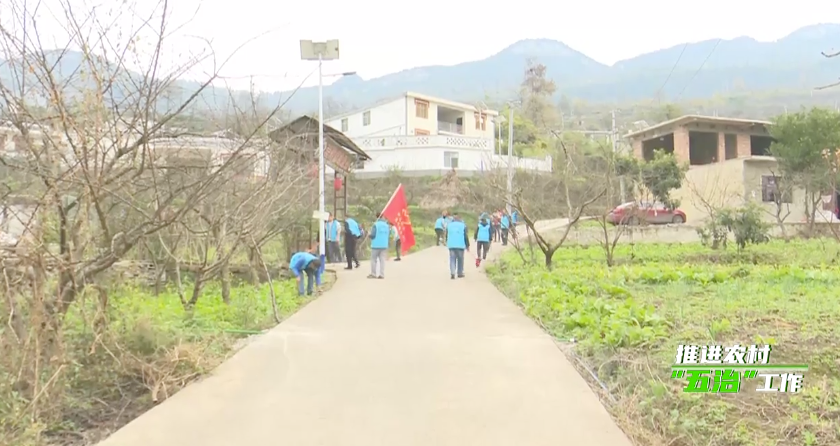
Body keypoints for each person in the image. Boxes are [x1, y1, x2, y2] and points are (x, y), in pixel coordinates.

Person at [445, 213, 470, 279]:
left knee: (452, 259)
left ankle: (452, 273)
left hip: (451, 245)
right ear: (459, 219)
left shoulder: (449, 225)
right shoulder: (463, 225)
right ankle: (460, 273)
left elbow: (447, 235)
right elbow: (465, 236)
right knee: (460, 259)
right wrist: (467, 245)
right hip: (460, 245)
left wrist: (446, 241)